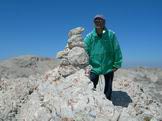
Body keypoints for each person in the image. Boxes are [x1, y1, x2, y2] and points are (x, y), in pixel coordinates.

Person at [84, 15, 123, 100]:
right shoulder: (89, 36)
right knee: (91, 86)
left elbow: (116, 49)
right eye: (96, 21)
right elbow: (84, 49)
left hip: (108, 65)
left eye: (100, 21)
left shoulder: (111, 35)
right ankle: (93, 102)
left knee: (108, 88)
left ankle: (108, 101)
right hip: (94, 66)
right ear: (94, 23)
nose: (98, 22)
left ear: (104, 22)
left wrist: (117, 64)